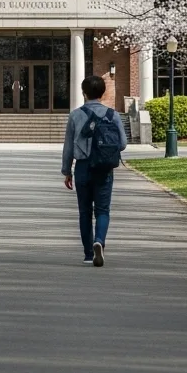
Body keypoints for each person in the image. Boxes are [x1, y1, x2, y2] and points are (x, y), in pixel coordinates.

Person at [62, 75, 128, 266]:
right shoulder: (112, 115)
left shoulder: (75, 115)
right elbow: (122, 144)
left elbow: (68, 146)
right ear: (103, 93)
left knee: (84, 212)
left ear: (84, 93)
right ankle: (99, 240)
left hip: (83, 167)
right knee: (102, 210)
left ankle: (88, 254)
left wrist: (67, 170)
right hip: (104, 168)